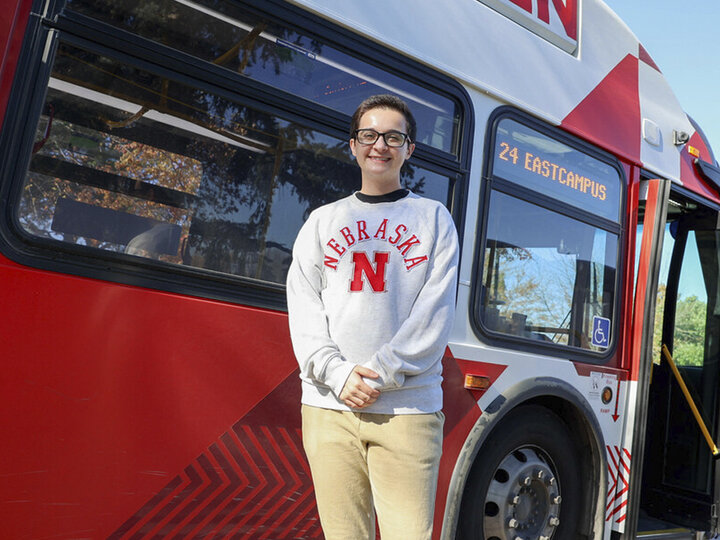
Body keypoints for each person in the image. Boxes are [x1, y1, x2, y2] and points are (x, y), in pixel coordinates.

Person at [286, 94, 459, 540]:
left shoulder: (433, 219)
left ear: (409, 149)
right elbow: (303, 306)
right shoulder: (323, 221)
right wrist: (338, 374)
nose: (379, 145)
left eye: (393, 137)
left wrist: (379, 373)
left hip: (407, 411)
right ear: (353, 145)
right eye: (369, 135)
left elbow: (434, 314)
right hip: (328, 407)